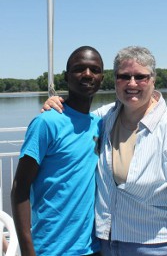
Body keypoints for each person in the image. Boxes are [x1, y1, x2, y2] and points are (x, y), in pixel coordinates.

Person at [42, 46, 167, 256]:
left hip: (152, 247)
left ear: (153, 79)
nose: (132, 83)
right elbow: (76, 117)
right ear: (115, 80)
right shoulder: (104, 118)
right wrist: (57, 103)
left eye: (140, 76)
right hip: (104, 244)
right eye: (124, 76)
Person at [11, 46, 104, 256]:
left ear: (102, 78)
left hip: (93, 248)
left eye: (94, 70)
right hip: (51, 249)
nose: (87, 74)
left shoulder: (101, 125)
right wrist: (28, 250)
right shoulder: (46, 123)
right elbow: (20, 188)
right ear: (66, 76)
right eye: (79, 68)